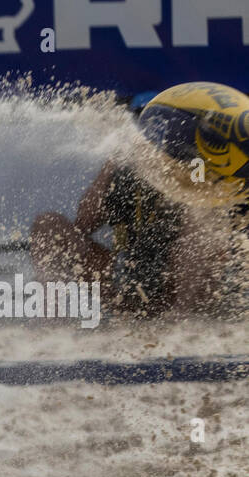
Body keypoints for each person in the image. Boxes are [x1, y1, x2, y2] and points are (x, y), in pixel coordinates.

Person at [30, 81, 249, 318]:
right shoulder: (122, 164)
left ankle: (183, 322)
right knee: (48, 225)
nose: (152, 136)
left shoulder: (198, 169)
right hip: (129, 286)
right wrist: (113, 164)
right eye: (143, 124)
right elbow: (84, 221)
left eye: (161, 128)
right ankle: (50, 320)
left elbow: (205, 228)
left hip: (182, 291)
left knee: (204, 231)